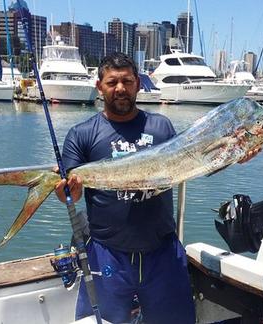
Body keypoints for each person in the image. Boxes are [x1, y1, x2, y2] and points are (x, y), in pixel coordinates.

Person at [54, 52, 196, 324]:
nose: (120, 88)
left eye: (127, 81)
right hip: (107, 253)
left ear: (138, 84)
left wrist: (233, 152)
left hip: (162, 252)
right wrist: (66, 193)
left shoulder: (161, 126)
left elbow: (189, 163)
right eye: (112, 82)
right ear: (100, 87)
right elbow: (69, 193)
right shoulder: (81, 134)